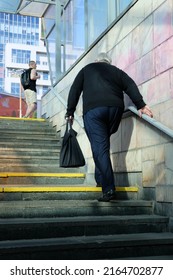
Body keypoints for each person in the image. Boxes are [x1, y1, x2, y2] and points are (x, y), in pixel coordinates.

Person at [65, 52, 153, 202]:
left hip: (94, 111)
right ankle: (100, 179)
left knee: (99, 148)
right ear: (108, 63)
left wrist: (70, 111)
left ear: (96, 61)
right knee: (101, 147)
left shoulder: (87, 69)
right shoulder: (116, 71)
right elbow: (130, 84)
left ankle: (109, 189)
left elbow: (75, 90)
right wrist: (141, 105)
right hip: (115, 111)